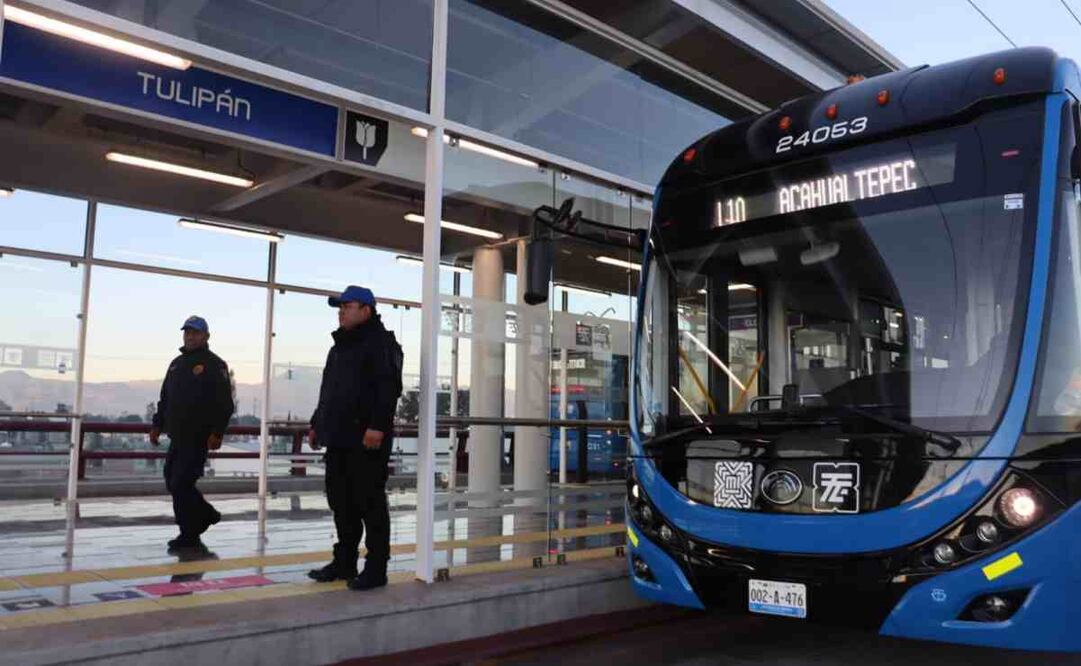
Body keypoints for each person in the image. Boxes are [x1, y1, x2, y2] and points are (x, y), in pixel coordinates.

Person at [307, 286, 399, 591]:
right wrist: (316, 423)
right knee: (341, 502)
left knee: (369, 502)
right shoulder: (340, 347)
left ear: (366, 310)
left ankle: (376, 568)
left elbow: (388, 388)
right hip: (339, 437)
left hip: (366, 439)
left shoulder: (381, 343)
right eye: (340, 306)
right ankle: (344, 562)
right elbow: (330, 392)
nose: (341, 310)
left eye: (348, 305)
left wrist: (377, 426)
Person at [150, 315, 234, 552]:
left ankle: (189, 532)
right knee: (172, 480)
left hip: (199, 437)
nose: (190, 336)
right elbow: (165, 398)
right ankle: (204, 516)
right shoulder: (176, 364)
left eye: (195, 332)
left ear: (206, 336)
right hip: (177, 435)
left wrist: (218, 432)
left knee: (181, 482)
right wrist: (157, 425)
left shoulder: (215, 365)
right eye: (187, 332)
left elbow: (225, 403)